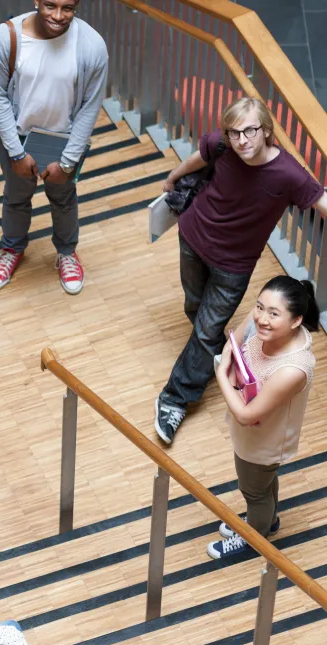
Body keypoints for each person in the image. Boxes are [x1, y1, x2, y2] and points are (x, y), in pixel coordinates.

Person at [154, 96, 327, 445]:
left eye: (249, 131)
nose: (241, 140)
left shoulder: (289, 173)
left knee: (206, 330)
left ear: (265, 130)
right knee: (195, 309)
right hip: (192, 238)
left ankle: (174, 399)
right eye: (234, 132)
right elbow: (197, 159)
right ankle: (220, 351)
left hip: (233, 267)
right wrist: (172, 179)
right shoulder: (221, 145)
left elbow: (321, 201)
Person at [0, 0, 108, 296]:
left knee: (64, 200)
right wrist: (15, 151)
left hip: (63, 142)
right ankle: (12, 249)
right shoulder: (6, 37)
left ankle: (67, 253)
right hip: (18, 139)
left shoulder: (91, 46)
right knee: (16, 197)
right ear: (36, 1)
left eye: (67, 8)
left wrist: (67, 162)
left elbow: (90, 109)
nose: (57, 16)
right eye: (50, 5)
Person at [206, 277, 318, 559]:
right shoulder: (266, 328)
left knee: (253, 490)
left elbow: (244, 415)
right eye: (259, 307)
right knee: (263, 484)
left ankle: (254, 537)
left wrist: (222, 374)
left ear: (296, 321)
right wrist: (230, 358)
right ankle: (268, 520)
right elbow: (236, 341)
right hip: (257, 431)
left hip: (264, 440)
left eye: (273, 313)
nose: (262, 319)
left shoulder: (293, 368)